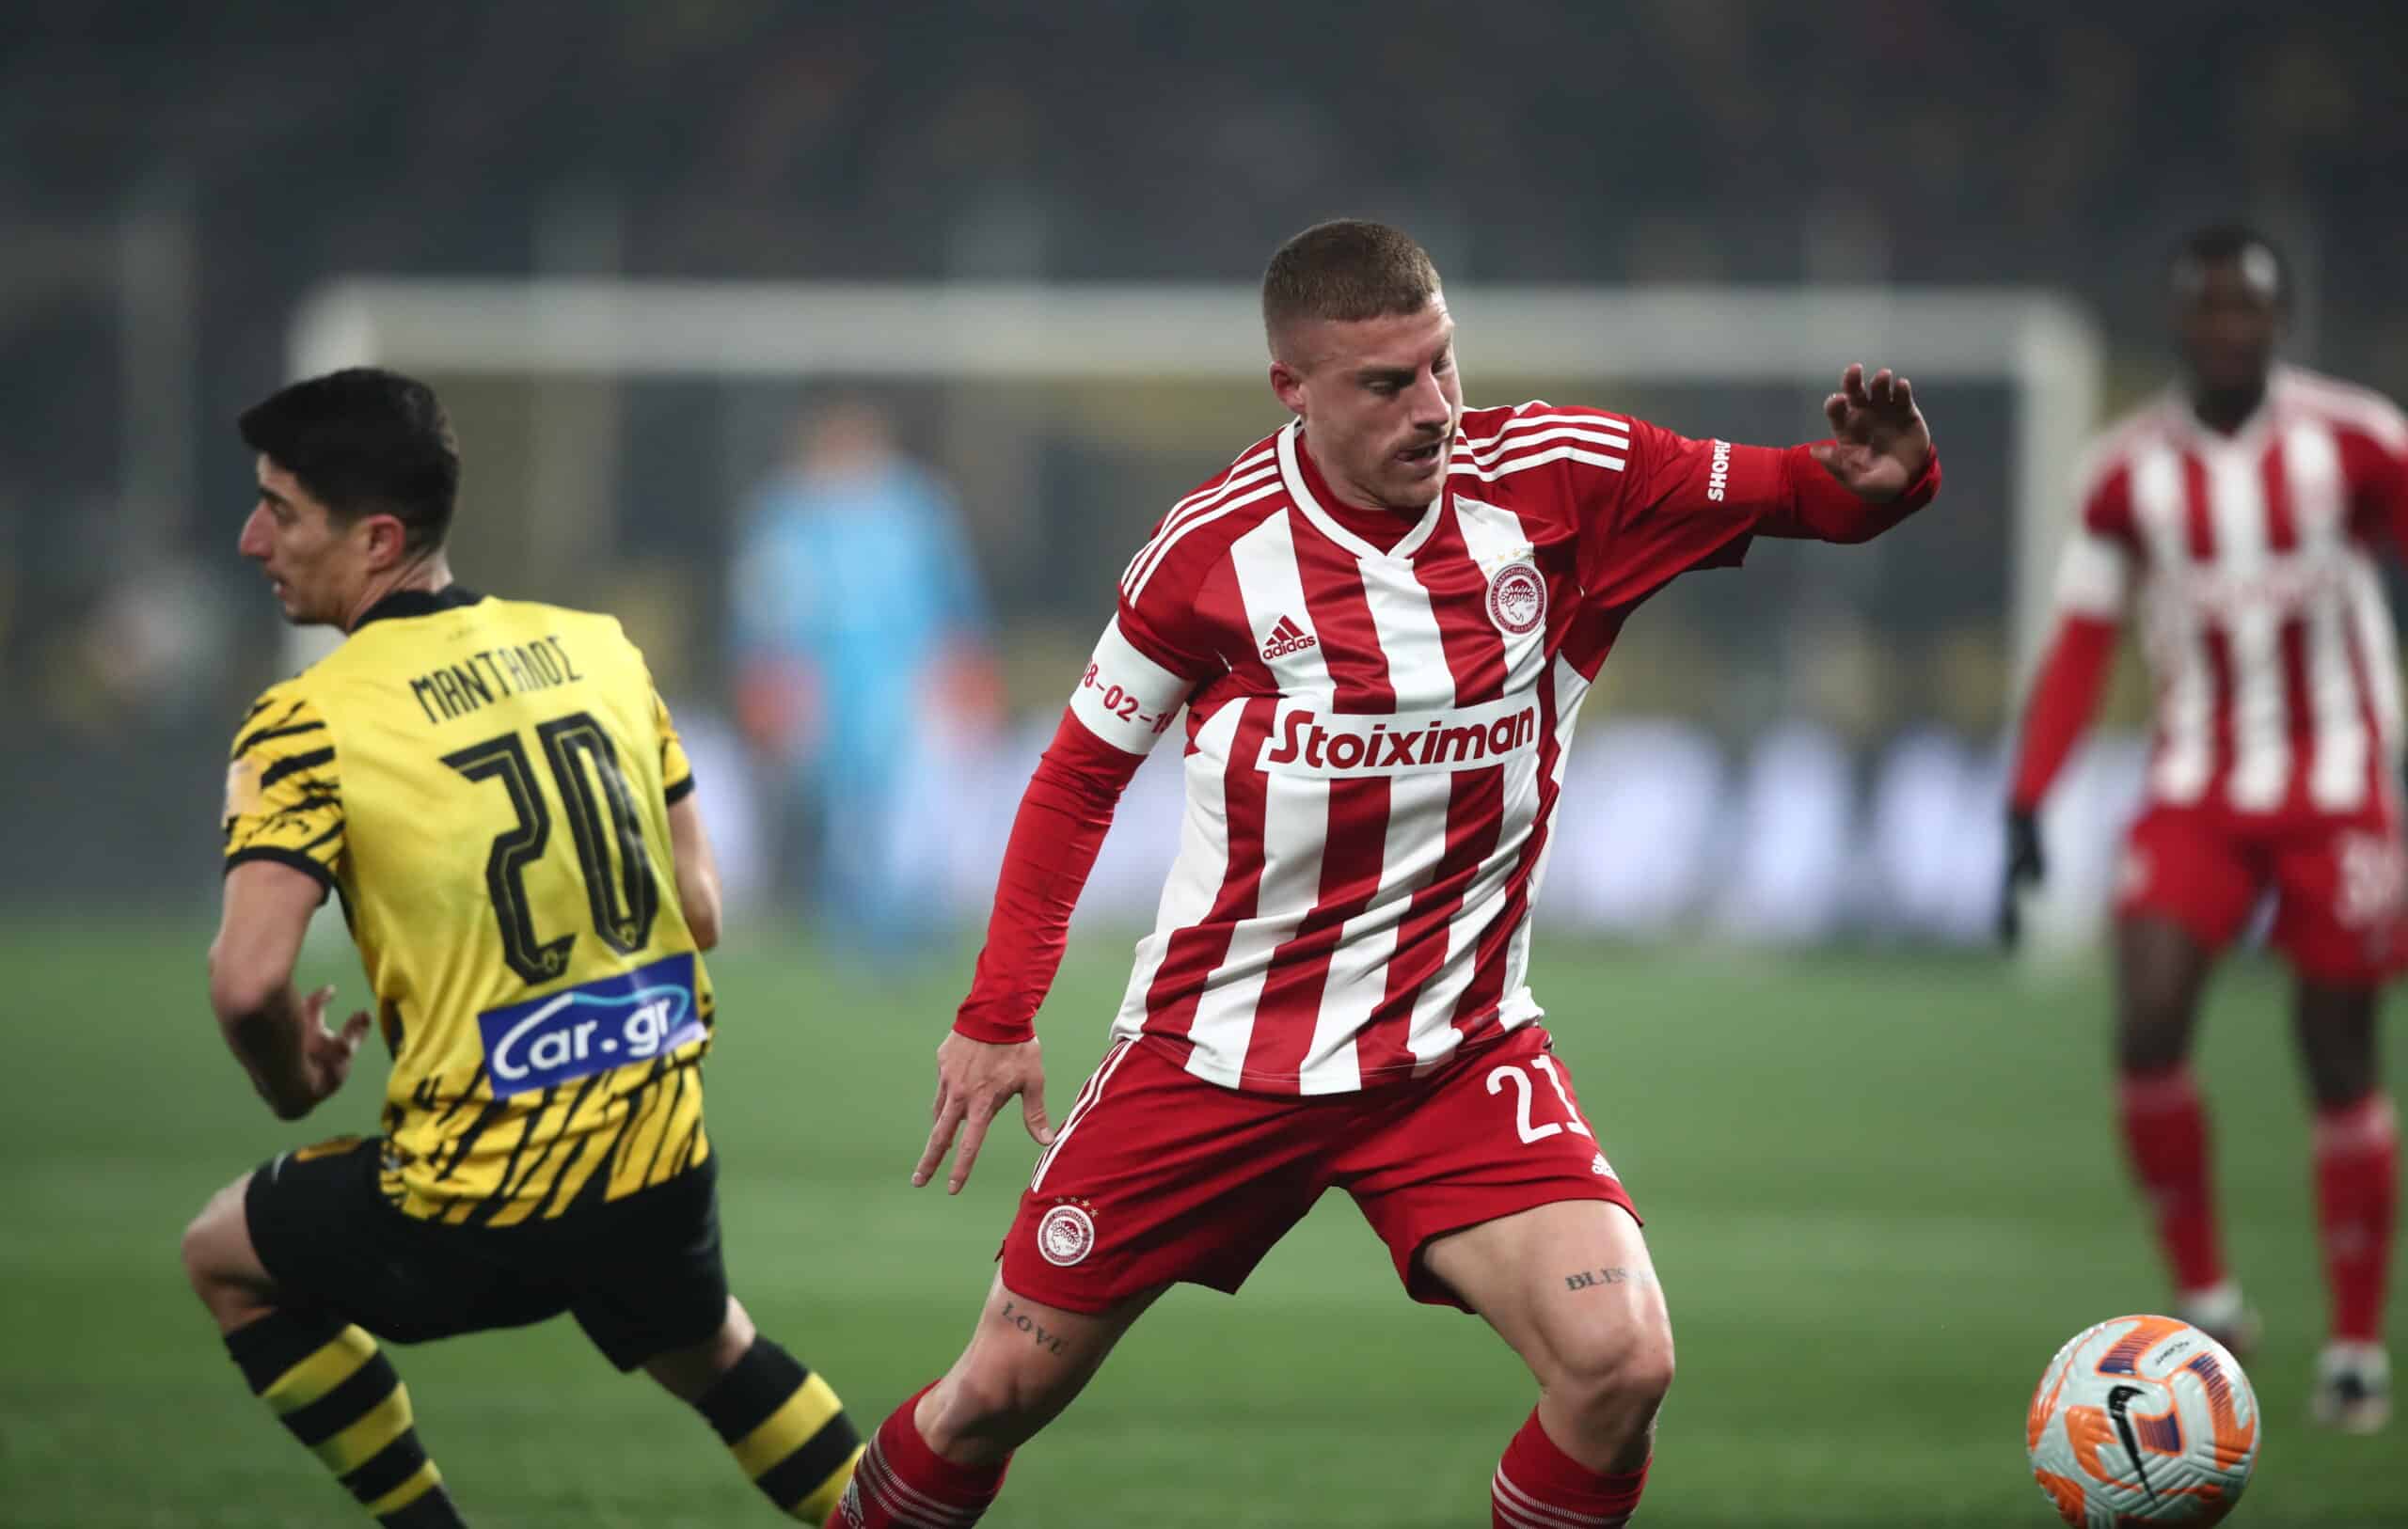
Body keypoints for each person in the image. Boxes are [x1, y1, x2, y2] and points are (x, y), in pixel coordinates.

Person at [833, 220, 1941, 1529]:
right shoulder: (1210, 553)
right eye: (1386, 382)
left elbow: (1812, 492)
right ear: (1292, 389)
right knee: (993, 1392)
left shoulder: (1565, 480)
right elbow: (1078, 774)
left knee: (1621, 1361)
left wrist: (1887, 481)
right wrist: (998, 1011)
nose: (1434, 407)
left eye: (1442, 363)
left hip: (1452, 1053)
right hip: (1218, 1052)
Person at [179, 370, 864, 1526]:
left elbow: (247, 983)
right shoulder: (599, 650)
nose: (253, 539)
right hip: (653, 1148)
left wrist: (293, 1080)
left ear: (377, 539)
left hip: (476, 1194)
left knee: (223, 1256)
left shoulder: (305, 719)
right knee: (708, 1346)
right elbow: (700, 909)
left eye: (280, 511)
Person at [2002, 224, 2401, 1433]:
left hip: (2338, 785)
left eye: (2246, 309)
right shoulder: (2125, 473)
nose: (2227, 329)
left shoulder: (2357, 443)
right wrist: (2029, 791)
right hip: (2196, 786)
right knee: (2146, 1019)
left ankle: (2352, 1346)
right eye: (2207, 308)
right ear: (2179, 325)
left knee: (2337, 1053)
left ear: (2280, 323)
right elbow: (2083, 638)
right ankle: (2210, 1304)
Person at [730, 399, 999, 951]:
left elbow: (955, 601)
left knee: (912, 802)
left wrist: (965, 672)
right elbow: (760, 611)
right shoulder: (786, 513)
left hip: (907, 682)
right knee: (841, 807)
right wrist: (765, 680)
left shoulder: (916, 508)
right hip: (818, 687)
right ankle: (846, 919)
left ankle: (912, 917)